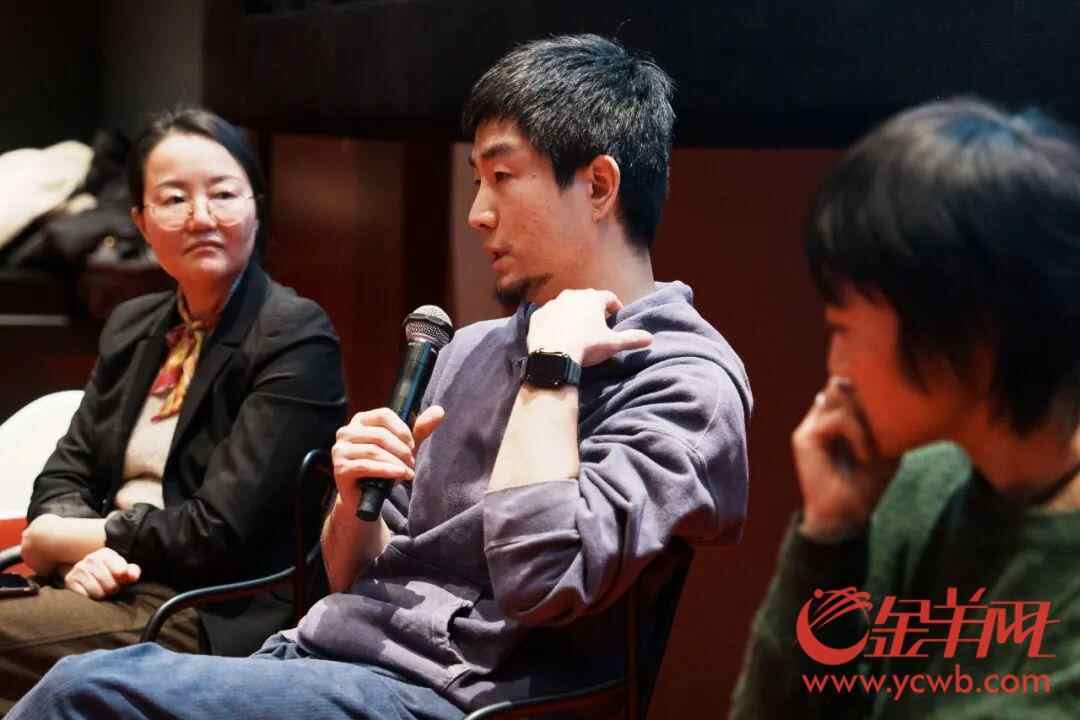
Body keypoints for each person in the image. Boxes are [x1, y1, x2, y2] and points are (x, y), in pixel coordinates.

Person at [7, 34, 750, 719]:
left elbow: (540, 580)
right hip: (327, 657)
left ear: (598, 186)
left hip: (456, 696)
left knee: (87, 692)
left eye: (501, 177)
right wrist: (352, 500)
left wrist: (551, 372)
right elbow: (350, 576)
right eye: (476, 181)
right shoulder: (470, 348)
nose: (477, 213)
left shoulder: (686, 382)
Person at [730, 98, 1080, 718]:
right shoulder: (915, 487)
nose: (836, 369)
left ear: (967, 327)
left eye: (843, 328)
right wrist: (828, 537)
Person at [0, 108, 347, 711]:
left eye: (223, 194)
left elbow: (220, 532)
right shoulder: (134, 326)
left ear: (256, 208)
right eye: (174, 198)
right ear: (140, 219)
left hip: (210, 607)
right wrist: (84, 554)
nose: (202, 216)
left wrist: (77, 537)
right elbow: (66, 473)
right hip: (110, 581)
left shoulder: (294, 336)